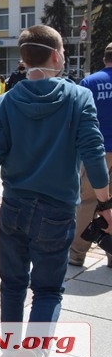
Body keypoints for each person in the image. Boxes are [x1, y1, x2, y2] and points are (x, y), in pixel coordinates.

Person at [0, 25, 112, 357]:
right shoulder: (77, 97)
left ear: (24, 60)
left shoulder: (7, 101)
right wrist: (104, 202)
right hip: (56, 209)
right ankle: (35, 354)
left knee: (12, 285)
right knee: (49, 290)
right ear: (55, 55)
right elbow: (93, 154)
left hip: (14, 206)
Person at [70, 42, 112, 268]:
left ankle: (77, 253)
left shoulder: (90, 82)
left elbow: (78, 117)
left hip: (96, 151)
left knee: (87, 201)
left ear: (105, 58)